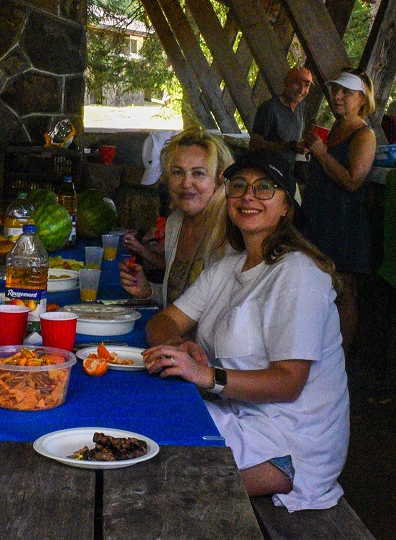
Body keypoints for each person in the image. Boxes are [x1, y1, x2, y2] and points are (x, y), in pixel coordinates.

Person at [144, 149, 349, 511]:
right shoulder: (230, 266)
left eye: (264, 187)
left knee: (157, 483)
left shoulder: (297, 274)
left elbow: (288, 382)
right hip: (237, 418)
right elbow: (163, 322)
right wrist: (180, 347)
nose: (248, 197)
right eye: (238, 186)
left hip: (289, 446)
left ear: (286, 206)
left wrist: (208, 375)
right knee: (138, 431)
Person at [300, 69, 376, 351]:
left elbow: (353, 181)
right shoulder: (334, 128)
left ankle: (343, 361)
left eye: (346, 92)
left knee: (344, 291)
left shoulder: (364, 135)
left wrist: (321, 154)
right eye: (335, 91)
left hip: (344, 222)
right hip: (321, 216)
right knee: (320, 287)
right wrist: (315, 150)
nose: (338, 96)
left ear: (362, 98)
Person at [120, 129, 234, 307]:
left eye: (198, 173)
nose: (186, 184)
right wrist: (147, 291)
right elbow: (177, 298)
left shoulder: (230, 232)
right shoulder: (175, 223)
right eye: (178, 172)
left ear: (219, 180)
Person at [249, 66, 314, 172]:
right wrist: (287, 146)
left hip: (287, 171)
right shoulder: (269, 108)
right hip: (266, 170)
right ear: (286, 83)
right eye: (297, 83)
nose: (302, 90)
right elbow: (254, 145)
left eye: (306, 86)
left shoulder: (301, 107)